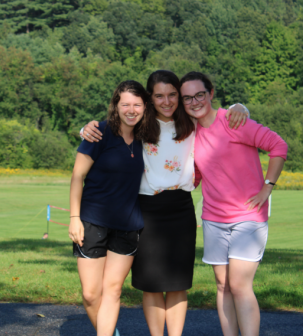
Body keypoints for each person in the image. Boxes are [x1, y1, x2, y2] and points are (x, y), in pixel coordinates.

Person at [80, 70, 249, 336]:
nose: (167, 101)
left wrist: (241, 107)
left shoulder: (191, 123)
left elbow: (215, 114)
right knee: (152, 284)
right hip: (146, 210)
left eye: (172, 95)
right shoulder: (140, 126)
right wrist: (85, 127)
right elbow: (112, 127)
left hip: (180, 209)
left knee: (178, 284)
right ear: (150, 98)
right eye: (159, 96)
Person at [183, 72, 287, 336]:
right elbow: (195, 175)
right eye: (187, 98)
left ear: (211, 94)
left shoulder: (233, 119)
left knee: (239, 285)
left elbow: (278, 146)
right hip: (213, 218)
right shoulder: (189, 133)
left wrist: (267, 187)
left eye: (199, 95)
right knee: (222, 285)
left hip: (247, 216)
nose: (194, 102)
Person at [68, 80, 152, 336]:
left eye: (137, 104)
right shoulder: (98, 133)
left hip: (128, 226)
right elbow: (76, 176)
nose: (131, 110)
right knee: (91, 294)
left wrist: (239, 108)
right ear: (115, 105)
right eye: (125, 103)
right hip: (92, 221)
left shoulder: (147, 138)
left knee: (113, 291)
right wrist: (74, 217)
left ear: (145, 107)